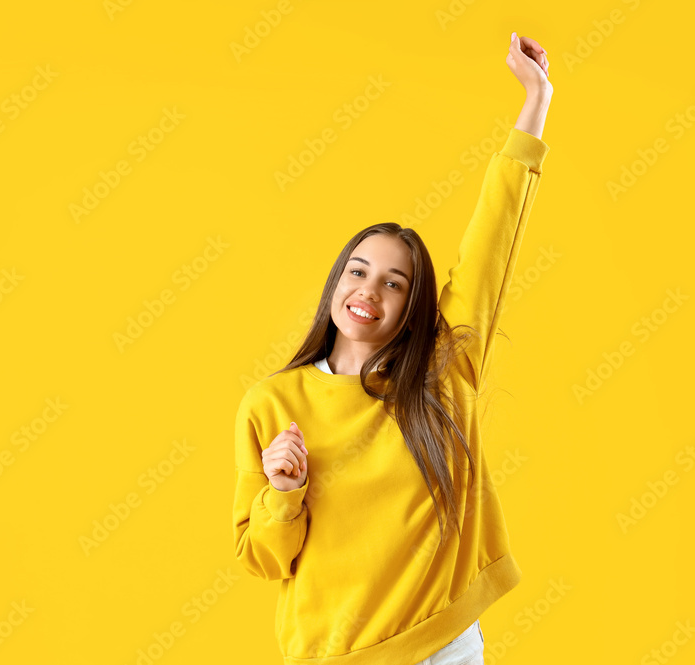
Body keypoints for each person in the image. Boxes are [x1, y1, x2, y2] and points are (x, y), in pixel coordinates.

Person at [233, 30, 552, 665]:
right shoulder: (274, 403)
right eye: (357, 270)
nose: (368, 289)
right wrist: (283, 489)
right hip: (336, 654)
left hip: (446, 643)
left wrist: (535, 100)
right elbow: (263, 559)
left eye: (394, 281)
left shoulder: (444, 369)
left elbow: (494, 234)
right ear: (335, 284)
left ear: (415, 305)